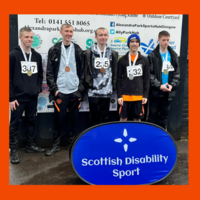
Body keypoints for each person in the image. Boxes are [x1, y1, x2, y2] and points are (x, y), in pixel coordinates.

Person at [46, 24, 85, 156]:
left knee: (74, 120)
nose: (69, 34)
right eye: (66, 31)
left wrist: (79, 89)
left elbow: (83, 72)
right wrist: (55, 90)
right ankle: (56, 145)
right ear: (61, 32)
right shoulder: (54, 49)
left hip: (74, 91)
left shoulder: (78, 50)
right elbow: (49, 72)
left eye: (71, 31)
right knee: (58, 120)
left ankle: (71, 144)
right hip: (60, 92)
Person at [9, 27, 45, 163]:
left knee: (31, 121)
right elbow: (8, 78)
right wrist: (11, 98)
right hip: (17, 98)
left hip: (32, 97)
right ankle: (13, 149)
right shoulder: (13, 55)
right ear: (20, 38)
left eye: (31, 37)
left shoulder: (37, 56)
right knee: (15, 124)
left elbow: (40, 75)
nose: (29, 39)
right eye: (26, 37)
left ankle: (30, 145)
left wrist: (37, 89)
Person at [83, 27, 118, 126]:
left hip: (107, 91)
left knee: (105, 119)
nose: (103, 37)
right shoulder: (88, 53)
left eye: (105, 35)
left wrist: (114, 86)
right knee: (93, 119)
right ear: (96, 37)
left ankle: (103, 140)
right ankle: (93, 139)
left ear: (108, 37)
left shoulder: (113, 53)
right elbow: (85, 70)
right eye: (100, 35)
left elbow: (115, 71)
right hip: (93, 91)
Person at [147, 31, 180, 130]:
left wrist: (172, 85)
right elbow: (149, 74)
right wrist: (159, 85)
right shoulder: (152, 56)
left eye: (167, 40)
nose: (166, 42)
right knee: (152, 116)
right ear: (158, 40)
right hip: (155, 92)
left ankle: (162, 137)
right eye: (163, 40)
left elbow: (177, 74)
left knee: (164, 118)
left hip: (168, 93)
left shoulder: (173, 56)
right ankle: (150, 136)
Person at [116, 34, 150, 122]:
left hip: (139, 96)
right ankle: (121, 135)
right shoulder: (122, 60)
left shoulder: (144, 60)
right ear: (128, 44)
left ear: (139, 44)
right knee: (123, 119)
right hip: (125, 96)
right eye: (132, 42)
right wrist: (119, 95)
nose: (134, 44)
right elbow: (118, 79)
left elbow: (146, 79)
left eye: (136, 42)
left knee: (137, 119)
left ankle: (137, 135)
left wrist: (145, 95)